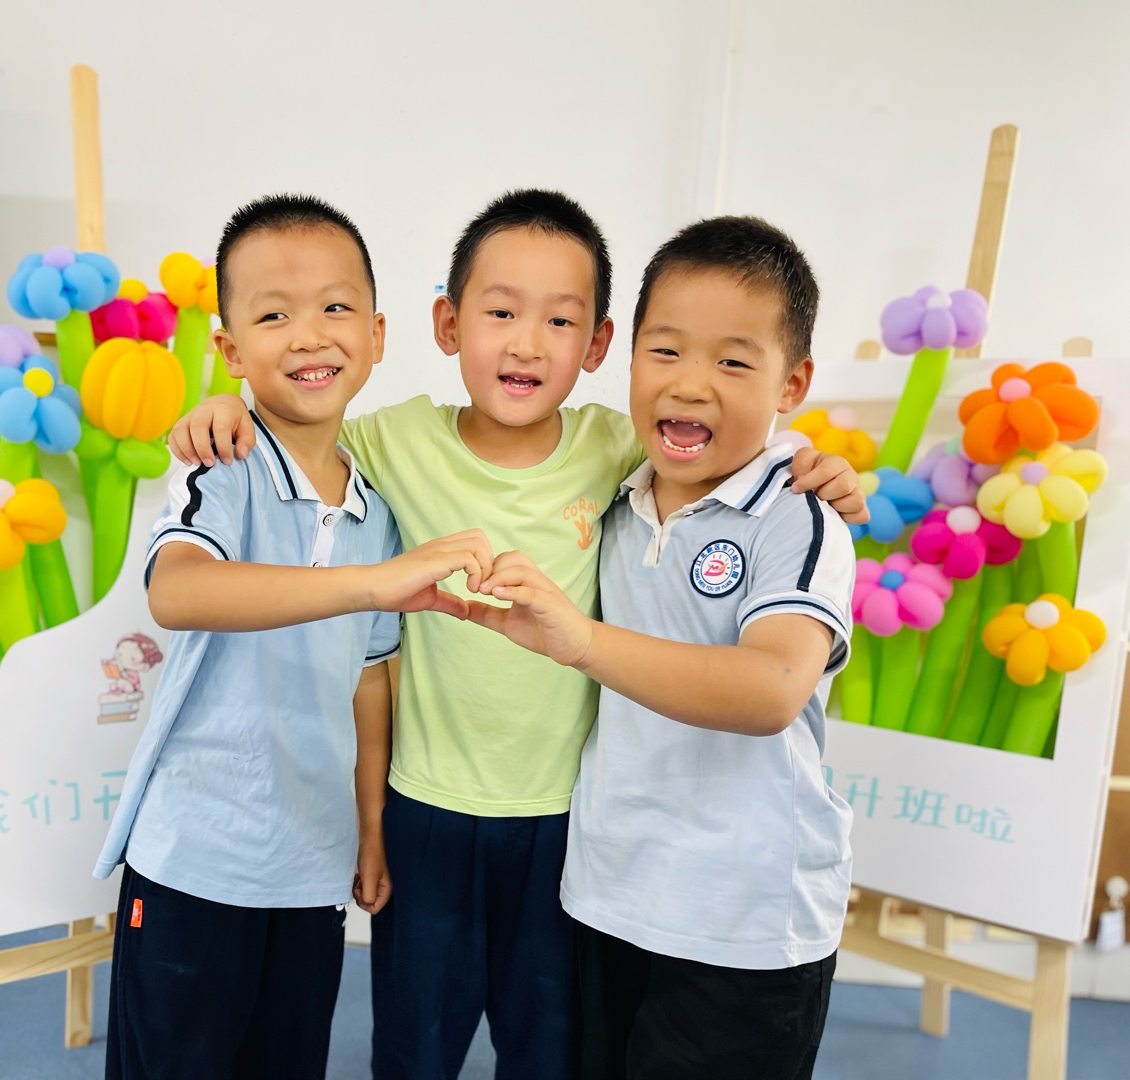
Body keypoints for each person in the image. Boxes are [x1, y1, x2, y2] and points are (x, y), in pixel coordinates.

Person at [168, 190, 866, 1080]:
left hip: (564, 824)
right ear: (448, 324)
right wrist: (226, 408)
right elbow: (302, 422)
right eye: (500, 313)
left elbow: (729, 458)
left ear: (598, 345)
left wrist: (815, 463)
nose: (527, 344)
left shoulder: (622, 450)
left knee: (547, 1052)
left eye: (560, 321)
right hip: (426, 807)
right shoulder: (394, 441)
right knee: (413, 1050)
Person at [94, 193, 494, 1080]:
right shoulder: (221, 465)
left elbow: (370, 679)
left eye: (335, 307)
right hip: (195, 860)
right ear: (231, 349)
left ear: (378, 335)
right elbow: (177, 590)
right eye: (274, 315)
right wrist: (367, 583)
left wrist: (370, 826)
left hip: (311, 866)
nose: (309, 335)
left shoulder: (378, 510)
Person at [469, 216, 856, 1080]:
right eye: (667, 351)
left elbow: (771, 689)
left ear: (792, 383)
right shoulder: (612, 492)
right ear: (626, 354)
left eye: (733, 363)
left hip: (743, 924)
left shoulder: (798, 517)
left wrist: (581, 641)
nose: (690, 384)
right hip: (607, 897)